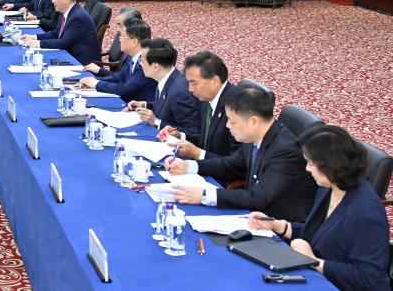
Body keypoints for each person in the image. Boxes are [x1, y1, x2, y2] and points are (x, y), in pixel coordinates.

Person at [249, 125, 390, 291]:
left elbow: (368, 277)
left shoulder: (367, 213)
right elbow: (320, 233)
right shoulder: (329, 187)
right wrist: (277, 225)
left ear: (330, 166)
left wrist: (314, 262)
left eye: (310, 163)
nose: (307, 169)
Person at [166, 84, 317, 221]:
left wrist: (204, 195)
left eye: (232, 121)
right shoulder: (255, 136)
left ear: (253, 121)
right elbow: (230, 165)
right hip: (255, 215)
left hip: (277, 225)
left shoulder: (285, 151)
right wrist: (189, 166)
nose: (227, 125)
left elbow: (258, 197)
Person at [165, 51, 241, 182]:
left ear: (214, 81)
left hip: (222, 180)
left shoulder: (236, 108)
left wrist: (197, 154)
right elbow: (206, 138)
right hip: (204, 169)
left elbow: (237, 165)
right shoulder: (207, 98)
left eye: (194, 83)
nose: (190, 89)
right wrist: (180, 136)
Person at [123, 38, 201, 139]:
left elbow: (193, 133)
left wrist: (156, 122)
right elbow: (168, 107)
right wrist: (146, 105)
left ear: (155, 67)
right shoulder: (167, 78)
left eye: (142, 61)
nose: (140, 64)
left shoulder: (179, 92)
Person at [76, 17, 156, 104]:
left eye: (122, 37)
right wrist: (91, 80)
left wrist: (96, 83)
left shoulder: (146, 62)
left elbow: (124, 90)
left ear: (134, 42)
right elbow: (118, 77)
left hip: (142, 108)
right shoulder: (132, 57)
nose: (119, 41)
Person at [21, 0, 101, 65]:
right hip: (70, 53)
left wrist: (37, 43)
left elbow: (63, 43)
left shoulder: (77, 17)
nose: (52, 0)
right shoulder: (67, 11)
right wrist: (33, 37)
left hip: (83, 62)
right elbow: (56, 33)